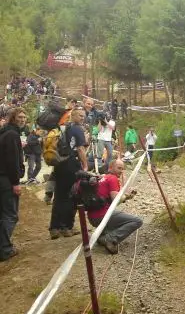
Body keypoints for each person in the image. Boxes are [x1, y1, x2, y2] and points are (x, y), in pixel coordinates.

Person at [87, 159, 142, 254]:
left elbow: (111, 201)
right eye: (119, 168)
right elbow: (115, 200)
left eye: (122, 169)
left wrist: (126, 197)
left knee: (118, 217)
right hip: (102, 216)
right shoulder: (113, 178)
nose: (121, 171)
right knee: (137, 221)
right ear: (111, 167)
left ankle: (102, 236)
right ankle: (110, 238)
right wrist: (126, 196)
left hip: (93, 218)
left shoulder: (104, 178)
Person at [49, 107, 88, 239]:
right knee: (71, 196)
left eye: (84, 116)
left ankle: (54, 228)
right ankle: (66, 227)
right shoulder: (77, 129)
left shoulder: (63, 128)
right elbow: (80, 148)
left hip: (59, 163)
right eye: (80, 116)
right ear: (74, 116)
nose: (83, 118)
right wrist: (85, 166)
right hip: (71, 164)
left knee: (59, 196)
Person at [0, 107, 26, 260]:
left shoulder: (4, 133)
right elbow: (12, 161)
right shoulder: (12, 134)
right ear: (12, 118)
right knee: (10, 215)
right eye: (19, 117)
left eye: (24, 117)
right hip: (7, 180)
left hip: (3, 178)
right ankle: (5, 249)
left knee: (3, 215)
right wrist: (16, 183)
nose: (22, 120)